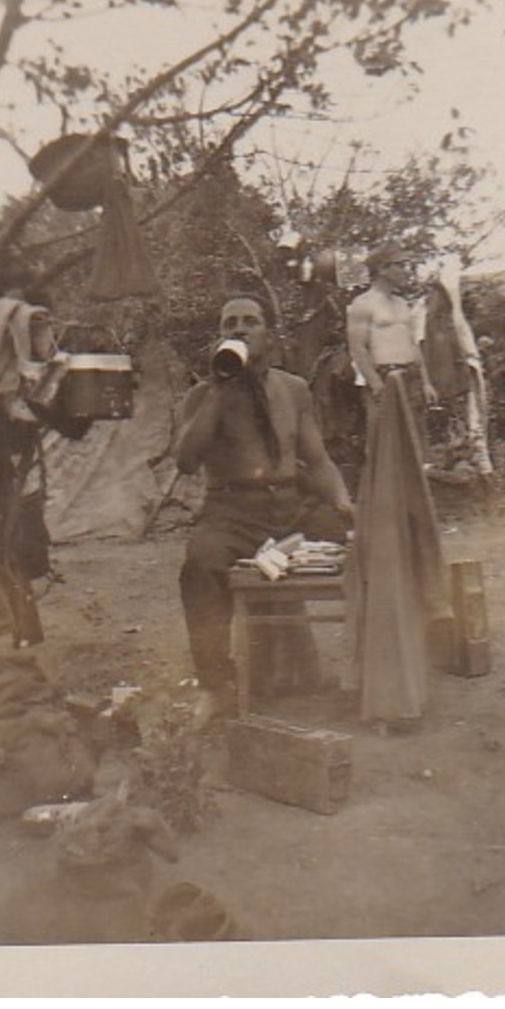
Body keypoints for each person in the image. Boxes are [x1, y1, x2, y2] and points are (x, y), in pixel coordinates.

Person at [175, 294, 353, 720]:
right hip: (231, 512)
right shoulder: (202, 395)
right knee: (200, 565)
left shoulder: (293, 389)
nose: (239, 329)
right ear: (219, 337)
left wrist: (344, 502)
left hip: (292, 508)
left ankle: (368, 674)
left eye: (249, 321)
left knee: (367, 548)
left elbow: (318, 460)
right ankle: (216, 684)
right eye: (229, 323)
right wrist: (218, 391)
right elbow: (185, 461)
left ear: (267, 334)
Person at [346, 242, 437, 458]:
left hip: (410, 378)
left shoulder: (402, 303)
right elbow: (357, 348)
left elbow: (413, 344)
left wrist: (425, 382)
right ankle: (381, 492)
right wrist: (375, 384)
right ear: (382, 269)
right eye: (401, 265)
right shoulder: (363, 304)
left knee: (414, 443)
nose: (407, 271)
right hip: (384, 379)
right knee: (383, 445)